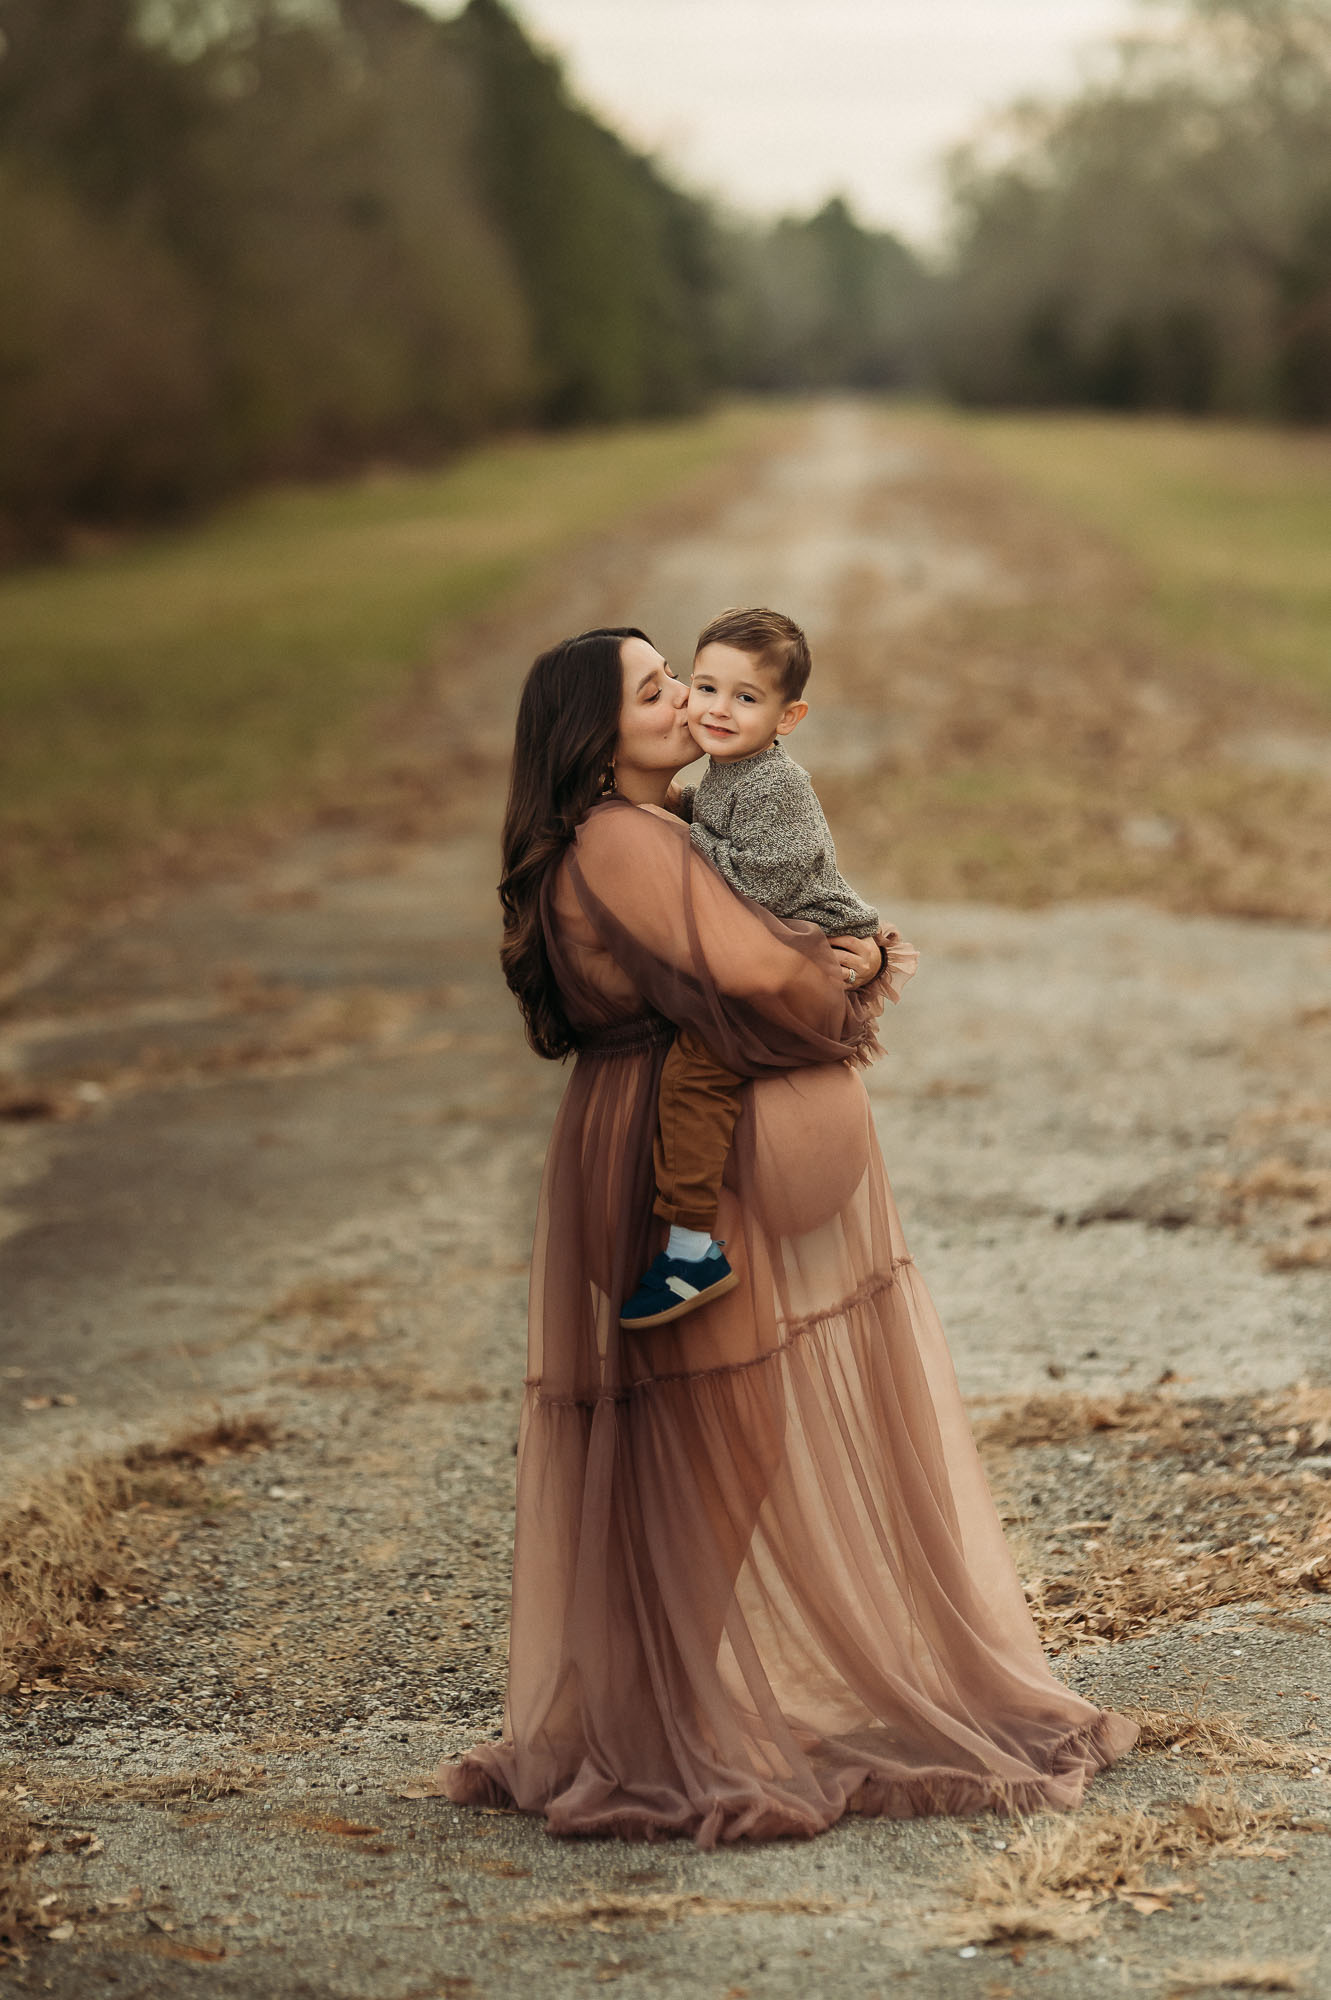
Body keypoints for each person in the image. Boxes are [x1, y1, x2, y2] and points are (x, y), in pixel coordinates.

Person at [430, 625, 1137, 1848]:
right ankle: (662, 1723)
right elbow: (761, 976)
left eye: (684, 682)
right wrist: (846, 965)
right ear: (594, 735)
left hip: (644, 1139)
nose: (685, 705)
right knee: (717, 1424)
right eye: (656, 690)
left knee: (701, 1425)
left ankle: (653, 1705)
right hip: (664, 1164)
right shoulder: (623, 837)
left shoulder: (654, 830)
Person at [619, 605, 892, 1333]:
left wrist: (675, 841)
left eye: (745, 698)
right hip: (786, 949)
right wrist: (668, 811)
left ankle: (690, 1249)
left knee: (696, 1073)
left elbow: (766, 879)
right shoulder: (729, 772)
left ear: (787, 716)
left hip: (813, 952)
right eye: (704, 687)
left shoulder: (774, 783)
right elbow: (714, 826)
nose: (716, 709)